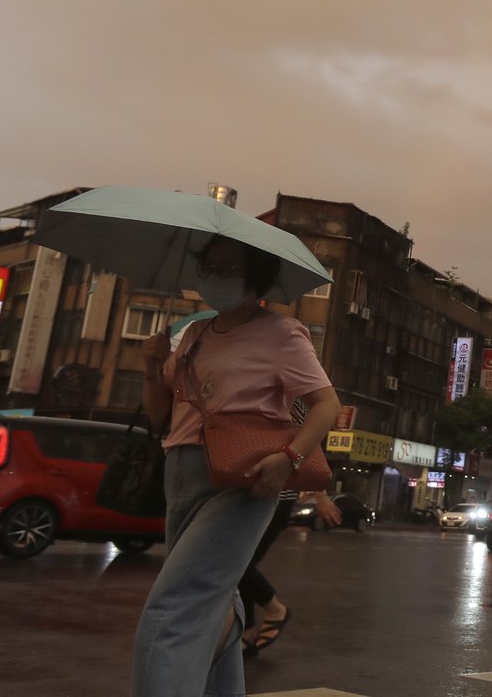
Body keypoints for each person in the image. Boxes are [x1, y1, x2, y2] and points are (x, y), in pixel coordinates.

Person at [132, 236, 342, 697]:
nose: (214, 277)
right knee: (210, 599)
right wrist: (151, 370)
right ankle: (227, 642)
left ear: (256, 281)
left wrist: (289, 461)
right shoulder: (194, 334)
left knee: (174, 606)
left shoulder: (282, 333)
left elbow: (326, 405)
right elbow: (159, 414)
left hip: (246, 478)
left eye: (228, 269)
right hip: (182, 469)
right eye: (209, 266)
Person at [239, 487, 341, 656]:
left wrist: (320, 496)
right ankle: (248, 631)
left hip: (276, 497)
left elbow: (306, 459)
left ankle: (274, 609)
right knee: (241, 564)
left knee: (240, 564)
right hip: (251, 494)